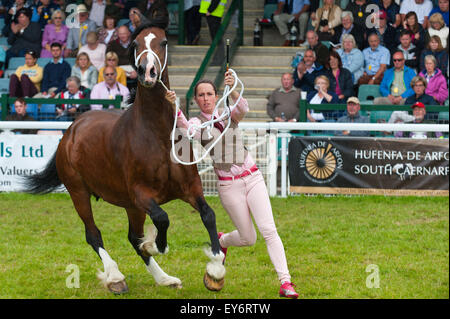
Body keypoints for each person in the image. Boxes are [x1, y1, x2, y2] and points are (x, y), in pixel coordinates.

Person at [165, 71, 299, 299]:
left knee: (269, 230)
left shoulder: (227, 113)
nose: (206, 98)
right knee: (248, 239)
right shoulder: (197, 122)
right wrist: (174, 105)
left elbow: (243, 107)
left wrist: (233, 87)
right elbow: (188, 130)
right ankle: (222, 240)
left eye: (209, 94)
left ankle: (285, 283)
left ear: (216, 96)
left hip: (253, 177)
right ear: (196, 100)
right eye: (201, 95)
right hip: (229, 186)